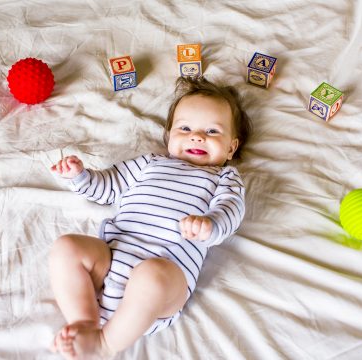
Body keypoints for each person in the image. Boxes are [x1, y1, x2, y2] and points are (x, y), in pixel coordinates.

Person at [49, 76, 251, 359]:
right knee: (66, 247)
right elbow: (108, 187)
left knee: (151, 276)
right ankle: (84, 321)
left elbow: (232, 210)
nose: (197, 136)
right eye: (185, 128)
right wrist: (81, 177)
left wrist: (211, 224)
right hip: (110, 258)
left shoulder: (224, 178)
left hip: (166, 273)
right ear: (169, 136)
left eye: (212, 131)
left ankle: (105, 344)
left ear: (231, 147)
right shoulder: (150, 164)